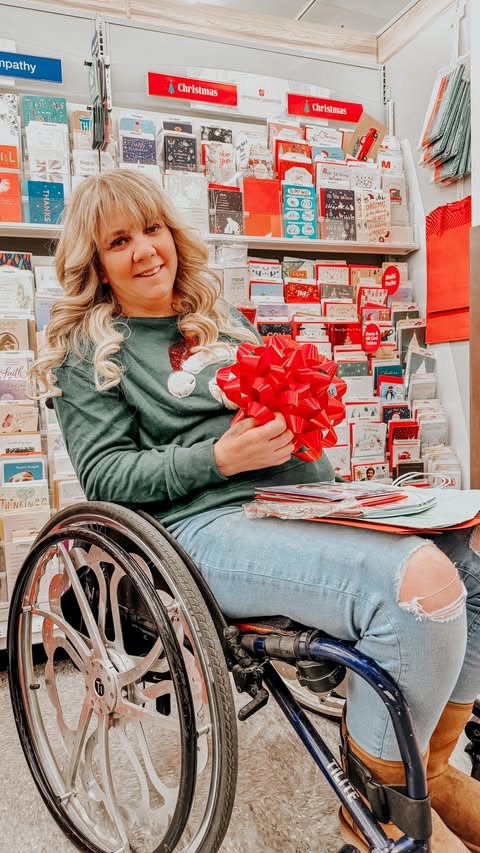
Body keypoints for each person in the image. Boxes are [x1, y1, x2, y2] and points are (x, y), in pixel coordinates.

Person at [31, 170, 480, 852]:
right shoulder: (89, 352)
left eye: (152, 228)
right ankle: (384, 813)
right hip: (202, 528)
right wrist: (220, 457)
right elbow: (104, 476)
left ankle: (432, 769)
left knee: (469, 558)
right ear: (95, 264)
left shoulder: (214, 313)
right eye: (119, 240)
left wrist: (312, 432)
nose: (145, 249)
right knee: (420, 587)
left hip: (300, 501)